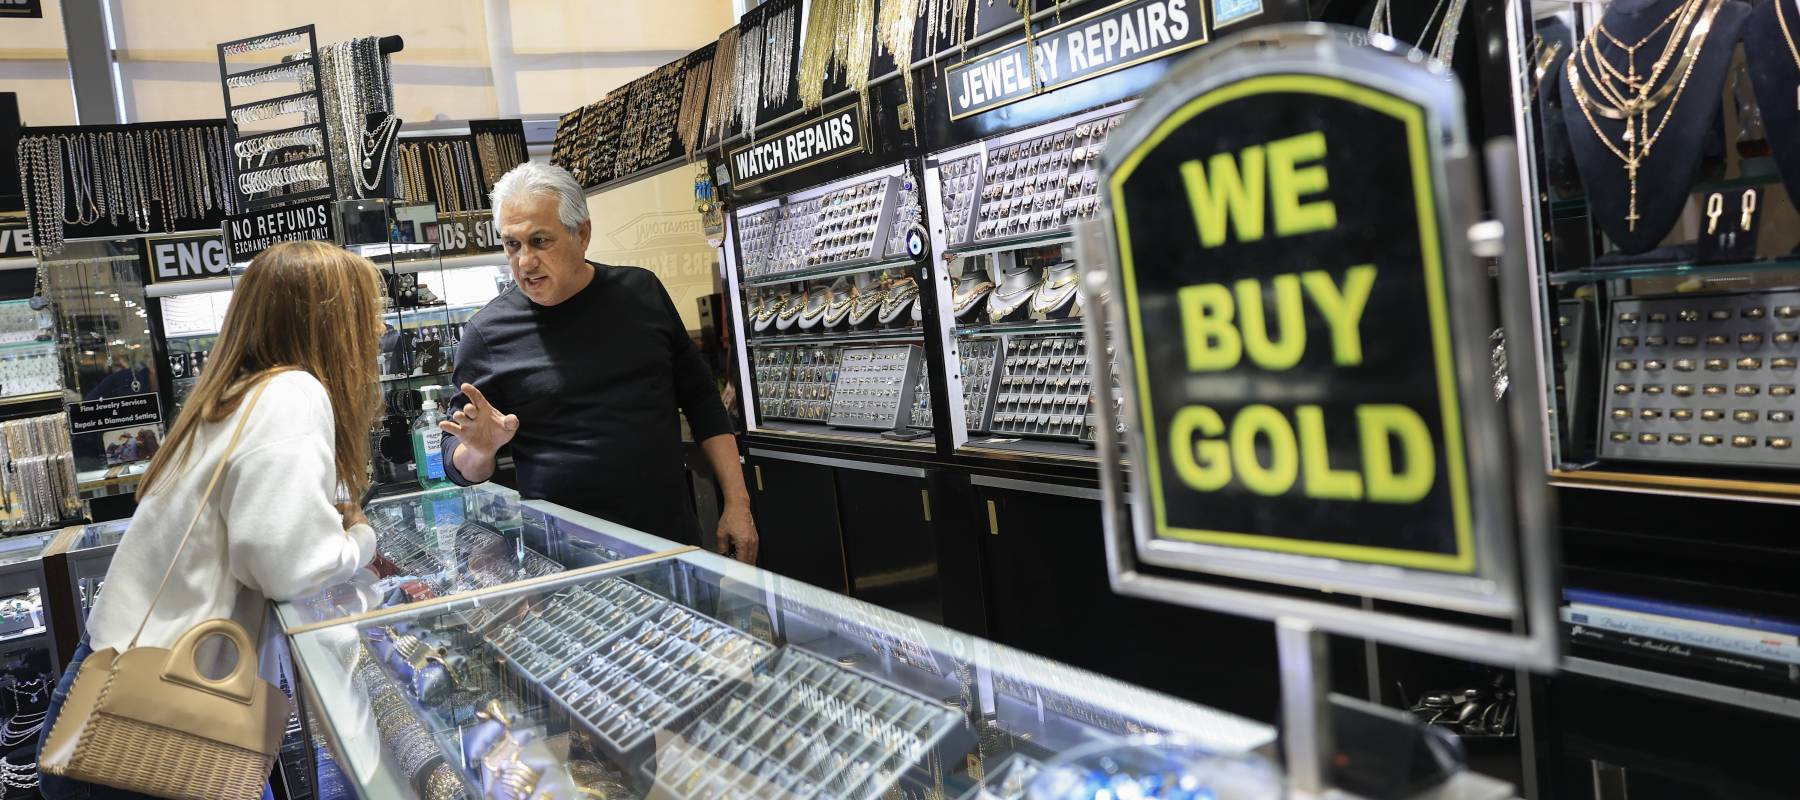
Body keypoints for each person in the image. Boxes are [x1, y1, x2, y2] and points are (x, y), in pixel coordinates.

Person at [37, 241, 384, 799]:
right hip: (157, 719)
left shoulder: (231, 395)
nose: (377, 330)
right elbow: (287, 567)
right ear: (331, 323)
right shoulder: (292, 393)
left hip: (118, 684)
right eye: (367, 314)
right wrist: (360, 537)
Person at [439, 162, 759, 562]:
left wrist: (738, 503)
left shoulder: (641, 293)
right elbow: (458, 463)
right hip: (563, 563)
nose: (524, 262)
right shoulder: (486, 334)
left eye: (539, 241)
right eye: (512, 245)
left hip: (669, 543)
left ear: (583, 234)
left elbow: (702, 402)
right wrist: (481, 450)